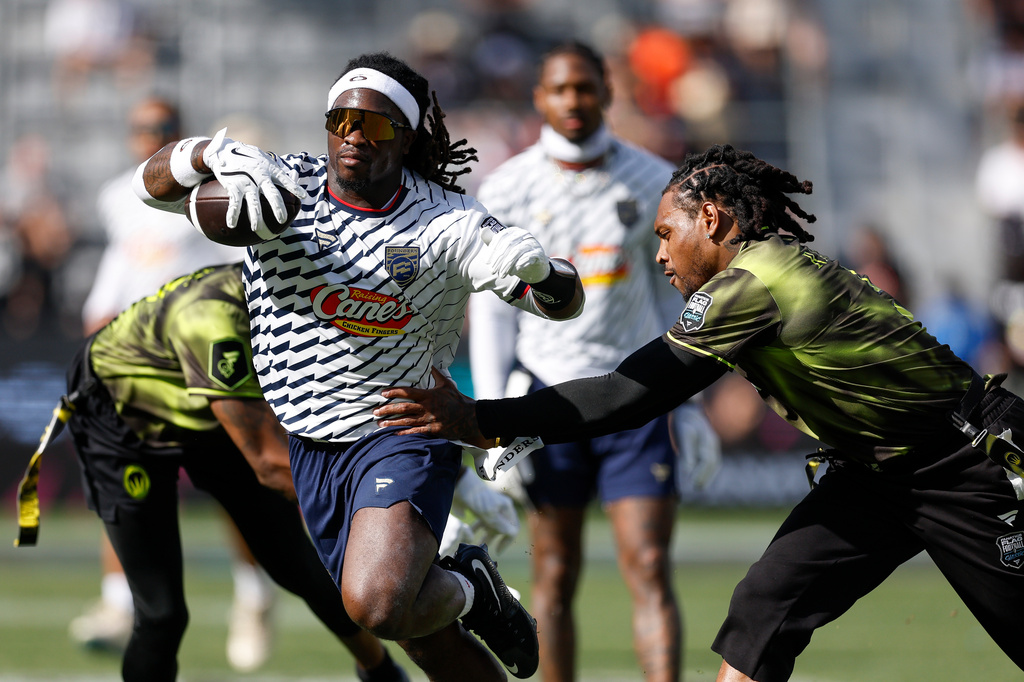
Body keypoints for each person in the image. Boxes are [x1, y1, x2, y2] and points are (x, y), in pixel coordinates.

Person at [375, 143, 1024, 681]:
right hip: (877, 475)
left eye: (665, 234)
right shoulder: (758, 280)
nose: (658, 255)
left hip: (970, 460)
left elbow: (632, 392)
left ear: (710, 221)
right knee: (762, 609)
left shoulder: (755, 281)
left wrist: (485, 418)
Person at [132, 51, 587, 681]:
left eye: (372, 126)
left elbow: (558, 304)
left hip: (401, 430)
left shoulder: (447, 222)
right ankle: (472, 588)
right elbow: (147, 187)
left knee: (374, 604)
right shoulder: (280, 185)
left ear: (403, 139)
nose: (352, 135)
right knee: (421, 637)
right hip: (309, 438)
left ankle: (472, 589)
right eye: (340, 119)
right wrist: (208, 154)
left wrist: (546, 271)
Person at [469, 41, 719, 682]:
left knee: (648, 566)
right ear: (539, 97)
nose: (573, 100)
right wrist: (495, 418)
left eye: (585, 87)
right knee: (553, 572)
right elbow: (494, 310)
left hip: (636, 394)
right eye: (560, 88)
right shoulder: (508, 186)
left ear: (608, 92)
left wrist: (686, 404)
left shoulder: (653, 181)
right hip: (549, 402)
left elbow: (679, 296)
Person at [56, 262, 408, 682]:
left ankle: (380, 671)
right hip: (122, 422)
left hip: (202, 407)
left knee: (297, 562)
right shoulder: (215, 318)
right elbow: (268, 461)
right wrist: (384, 514)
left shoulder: (290, 298)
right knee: (162, 614)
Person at [73, 95, 277, 673]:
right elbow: (123, 262)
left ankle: (253, 595)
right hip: (139, 364)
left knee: (237, 486)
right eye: (141, 127)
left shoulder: (210, 191)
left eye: (160, 128)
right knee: (126, 484)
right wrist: (99, 318)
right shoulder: (118, 195)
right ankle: (119, 604)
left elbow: (237, 261)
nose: (148, 136)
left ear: (179, 131)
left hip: (205, 355)